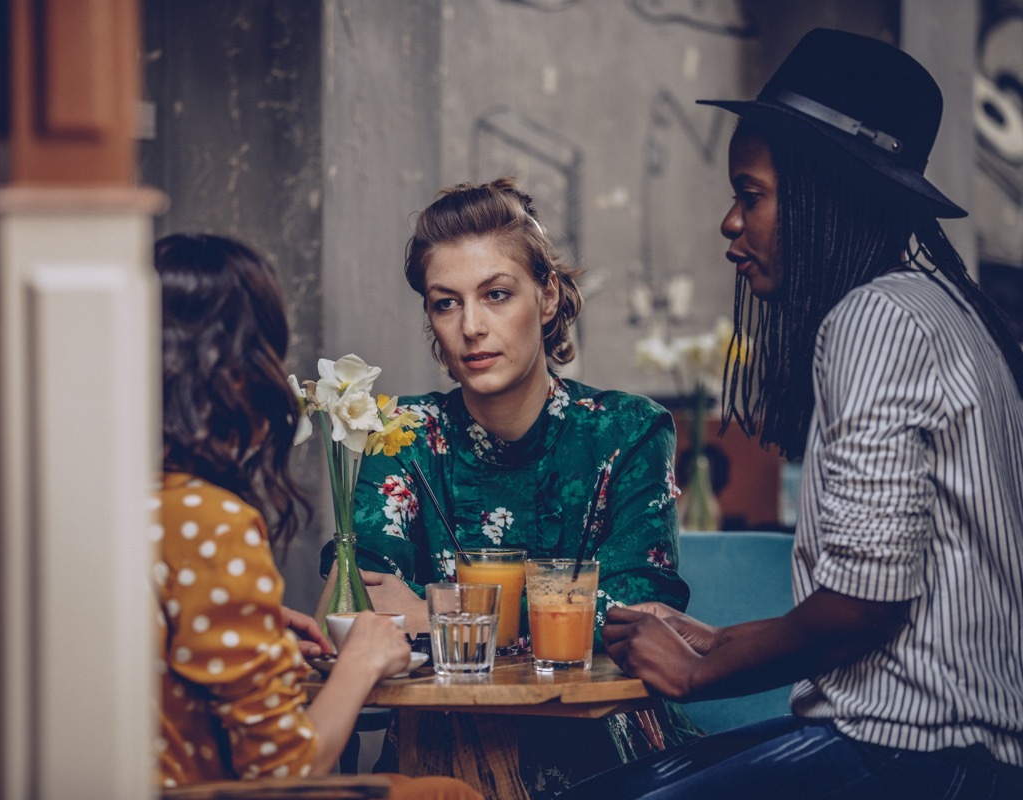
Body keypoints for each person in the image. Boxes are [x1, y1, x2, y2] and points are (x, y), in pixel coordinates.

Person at [564, 28, 1023, 799]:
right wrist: (722, 641)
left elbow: (864, 611)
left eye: (750, 194)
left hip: (921, 756)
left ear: (819, 194)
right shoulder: (939, 306)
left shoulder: (878, 320)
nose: (729, 223)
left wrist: (700, 670)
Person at [316, 179, 697, 798]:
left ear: (546, 296)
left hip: (612, 755)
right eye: (446, 303)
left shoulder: (627, 432)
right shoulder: (404, 434)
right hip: (439, 758)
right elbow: (351, 607)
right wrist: (547, 621)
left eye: (496, 295)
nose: (471, 326)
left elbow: (641, 618)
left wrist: (437, 617)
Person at [153, 233, 481, 799]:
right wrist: (364, 659)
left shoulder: (61, 510)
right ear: (235, 371)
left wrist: (240, 623)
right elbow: (287, 771)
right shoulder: (208, 522)